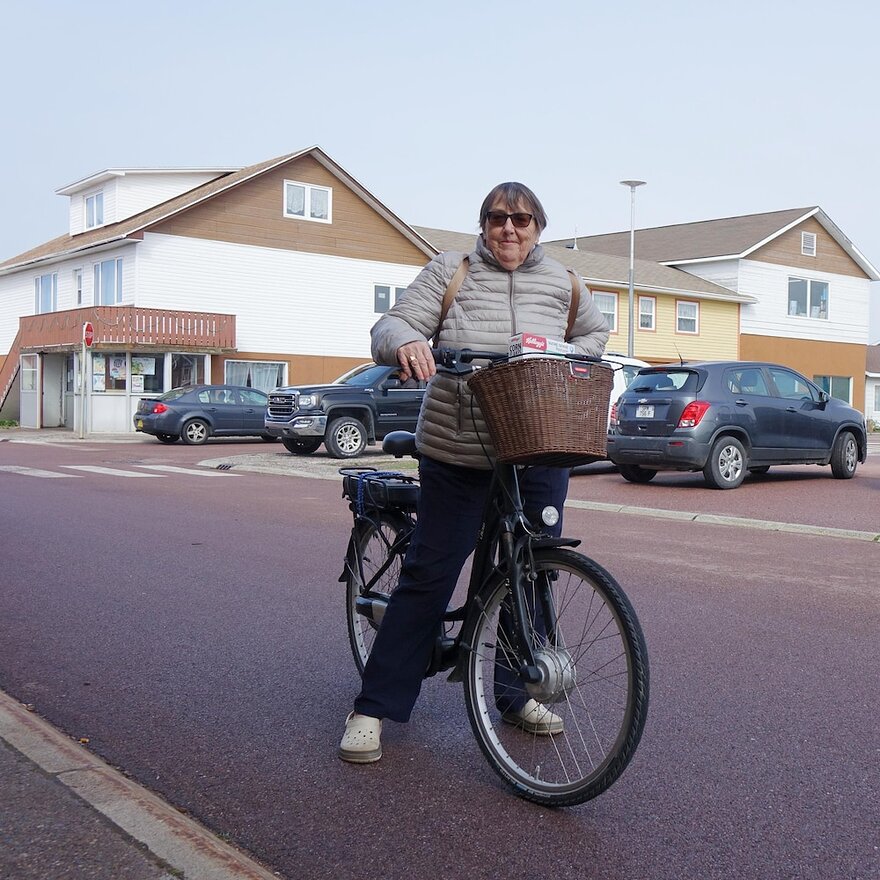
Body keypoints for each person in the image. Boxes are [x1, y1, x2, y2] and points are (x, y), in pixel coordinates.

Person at [338, 182, 610, 763]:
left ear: (539, 226)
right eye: (496, 218)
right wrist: (409, 341)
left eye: (521, 219)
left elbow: (594, 332)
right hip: (459, 445)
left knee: (531, 570)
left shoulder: (564, 283)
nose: (508, 229)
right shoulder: (451, 271)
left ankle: (517, 694)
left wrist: (574, 356)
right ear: (483, 224)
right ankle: (374, 706)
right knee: (432, 572)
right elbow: (390, 326)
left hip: (536, 444)